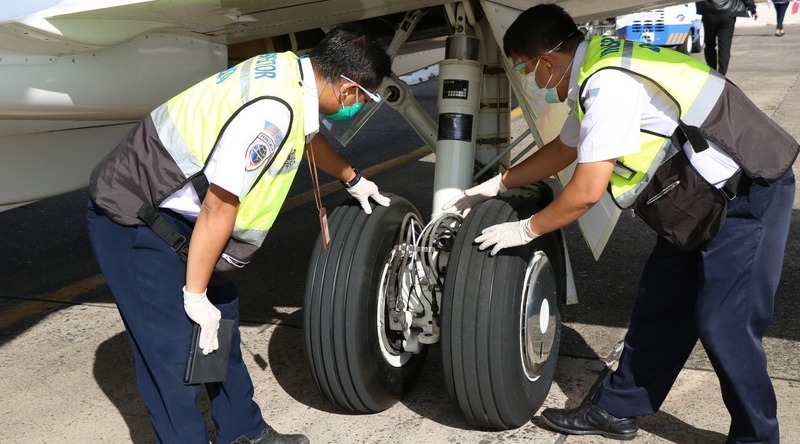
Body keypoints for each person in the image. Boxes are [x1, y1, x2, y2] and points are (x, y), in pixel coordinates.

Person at [443, 4, 797, 443]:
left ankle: (757, 438)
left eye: (524, 68)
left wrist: (525, 229)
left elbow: (586, 192)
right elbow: (565, 148)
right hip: (700, 200)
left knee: (726, 322)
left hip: (747, 192)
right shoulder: (596, 65)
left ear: (546, 61)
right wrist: (497, 183)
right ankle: (617, 409)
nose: (528, 79)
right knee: (661, 302)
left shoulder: (607, 84)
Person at [86, 23, 392, 444]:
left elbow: (308, 137)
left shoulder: (292, 72)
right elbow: (220, 206)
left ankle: (242, 432)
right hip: (135, 214)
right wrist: (195, 296)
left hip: (180, 213)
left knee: (220, 329)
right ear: (345, 86)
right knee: (171, 355)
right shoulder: (271, 113)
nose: (358, 106)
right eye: (363, 97)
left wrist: (352, 178)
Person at [695, 0, 758, 75]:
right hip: (728, 13)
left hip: (708, 11)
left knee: (709, 45)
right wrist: (752, 8)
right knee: (725, 48)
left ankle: (712, 73)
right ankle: (721, 76)